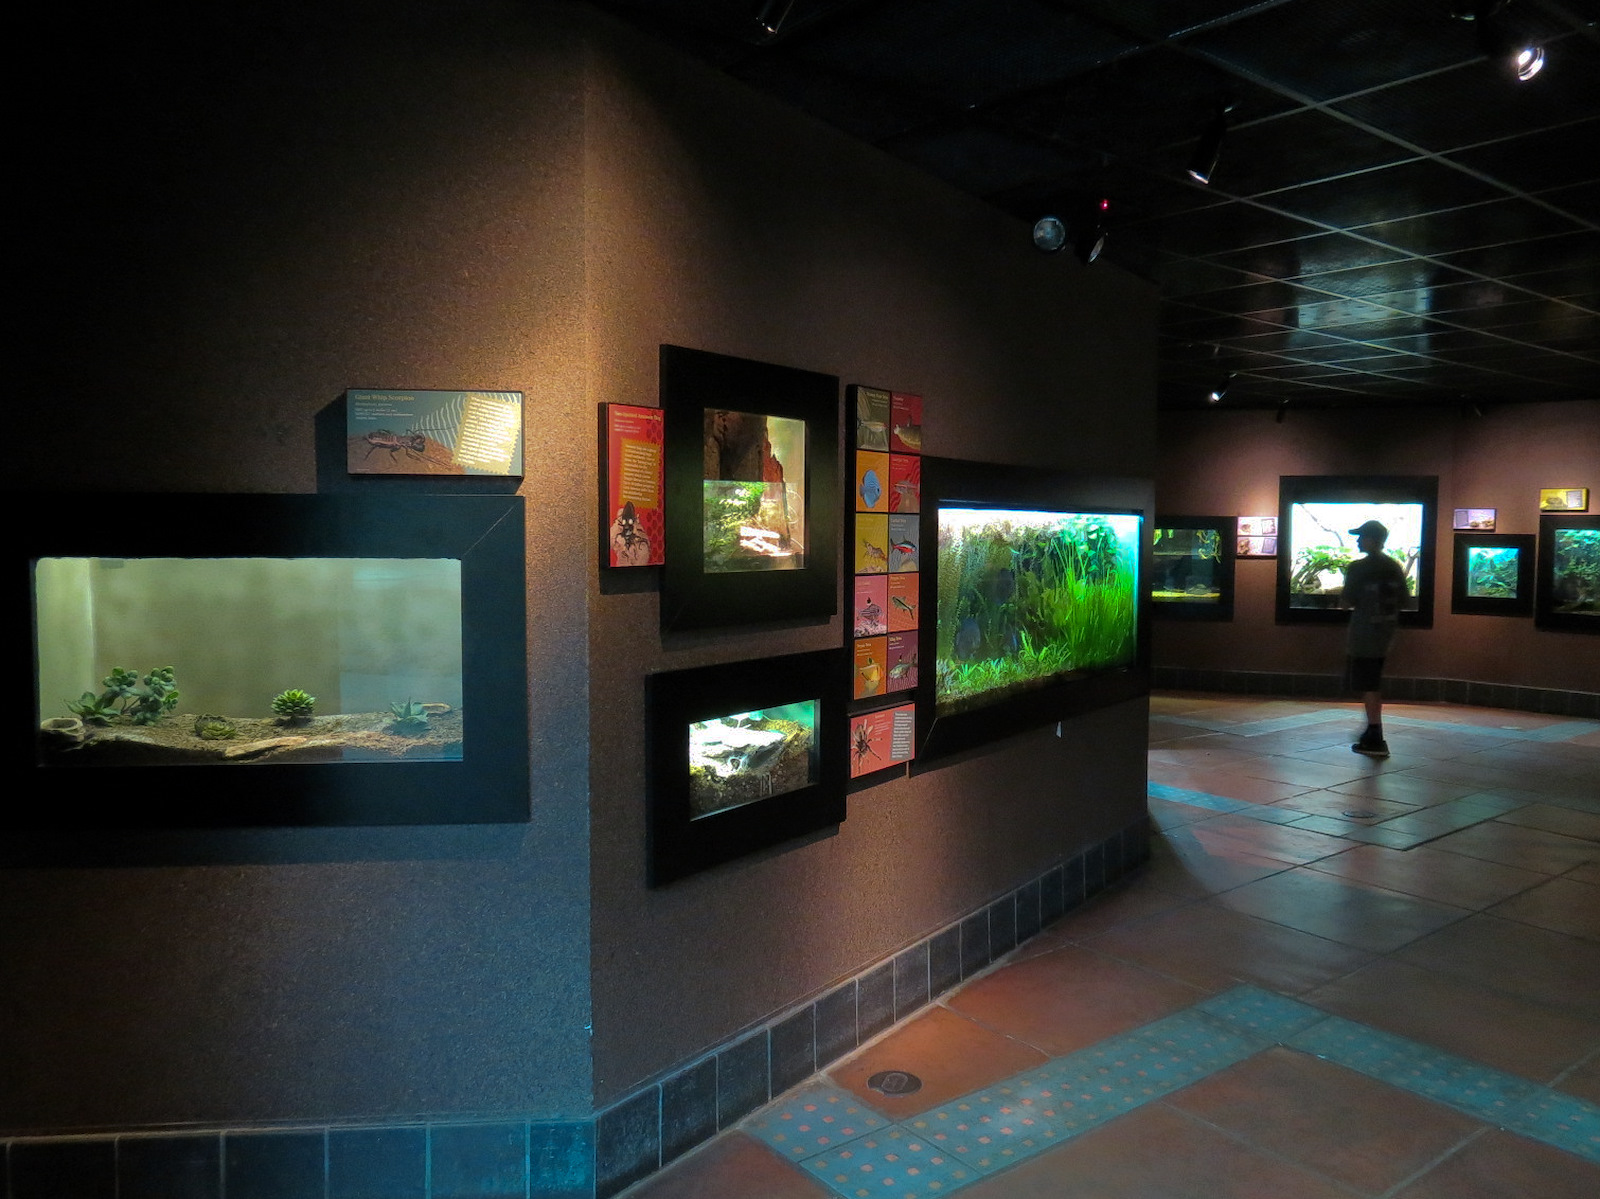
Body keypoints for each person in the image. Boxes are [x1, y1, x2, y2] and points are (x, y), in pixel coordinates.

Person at [1342, 519, 1408, 758]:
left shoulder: (1358, 568)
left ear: (1373, 540)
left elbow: (1346, 601)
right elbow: (1403, 600)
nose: (1359, 541)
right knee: (1373, 681)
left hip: (1364, 635)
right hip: (1385, 635)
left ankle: (1374, 734)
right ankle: (1372, 731)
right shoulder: (1393, 567)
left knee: (1368, 684)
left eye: (1362, 537)